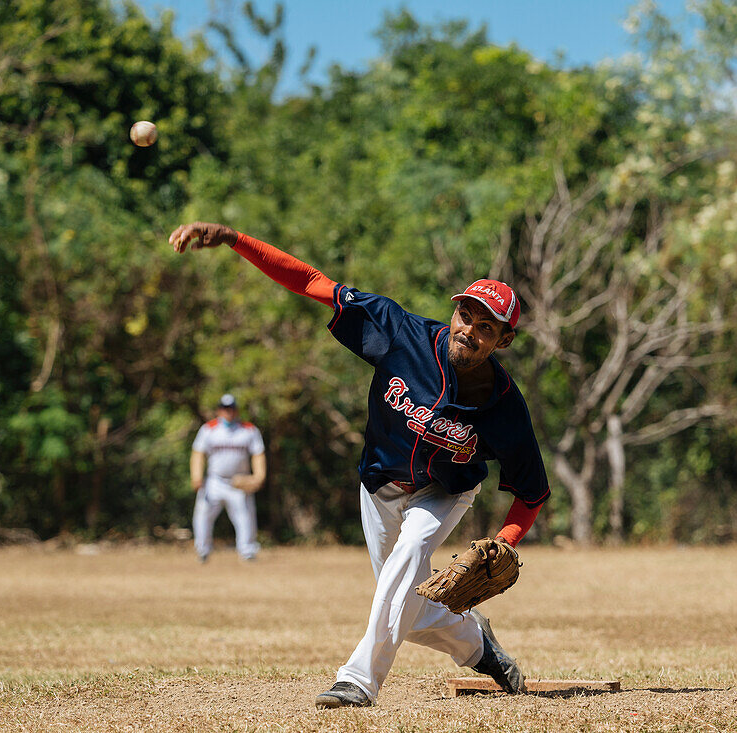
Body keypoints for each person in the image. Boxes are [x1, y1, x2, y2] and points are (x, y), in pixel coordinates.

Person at [170, 223, 550, 708]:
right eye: (465, 314)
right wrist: (234, 239)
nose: (468, 330)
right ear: (453, 311)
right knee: (404, 607)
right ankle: (478, 645)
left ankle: (358, 681)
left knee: (410, 554)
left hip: (445, 492)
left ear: (504, 341)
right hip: (379, 487)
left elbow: (532, 491)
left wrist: (504, 541)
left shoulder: (504, 405)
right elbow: (311, 282)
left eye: (486, 327)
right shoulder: (401, 334)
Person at [190, 393, 267, 563]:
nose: (228, 412)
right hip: (214, 481)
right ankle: (203, 551)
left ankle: (247, 552)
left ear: (236, 410)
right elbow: (198, 454)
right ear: (219, 411)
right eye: (225, 409)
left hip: (239, 482)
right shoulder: (209, 429)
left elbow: (258, 454)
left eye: (231, 409)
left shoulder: (249, 430)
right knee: (203, 514)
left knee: (245, 517)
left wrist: (259, 476)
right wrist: (196, 476)